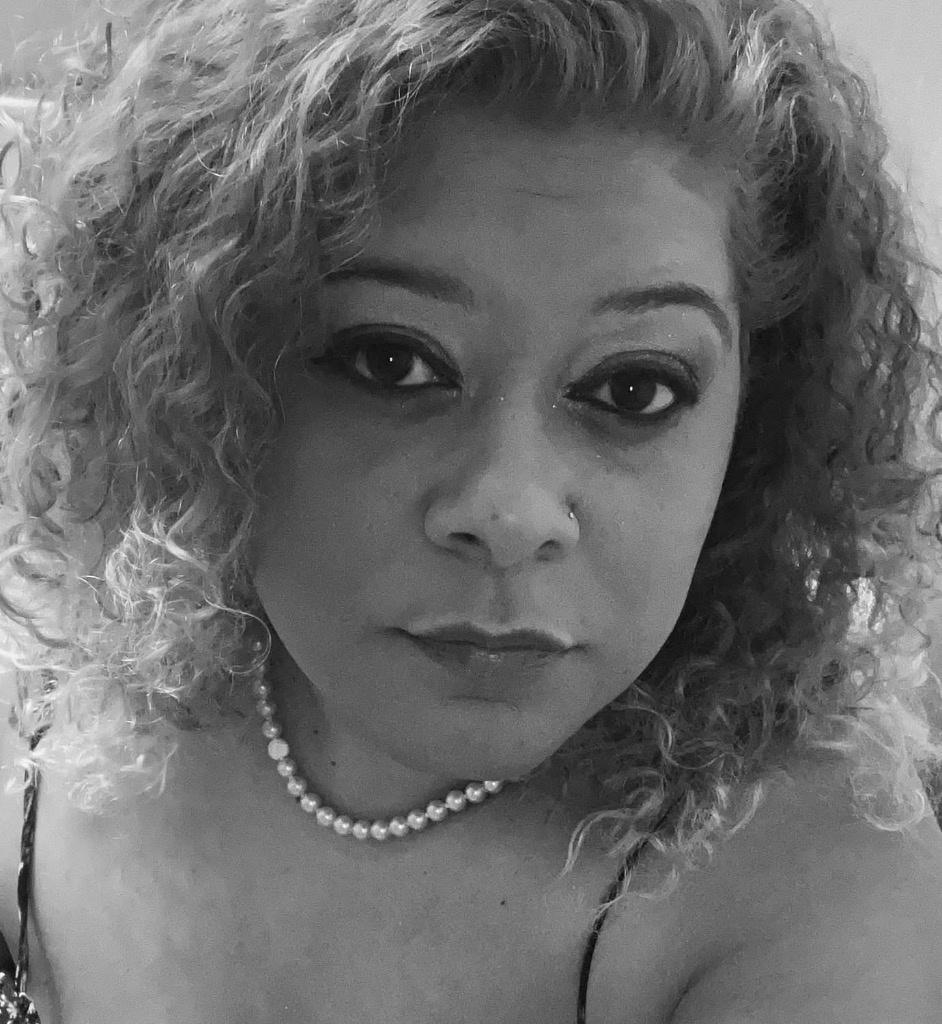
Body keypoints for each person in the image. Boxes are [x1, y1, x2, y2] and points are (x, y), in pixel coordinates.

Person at [0, 0, 940, 1020]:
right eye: (391, 361)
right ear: (194, 373)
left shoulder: (811, 887)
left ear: (760, 419)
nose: (510, 512)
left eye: (632, 389)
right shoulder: (48, 711)